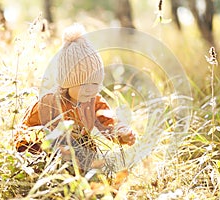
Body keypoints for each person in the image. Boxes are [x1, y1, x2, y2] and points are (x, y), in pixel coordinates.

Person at [14, 24, 136, 171]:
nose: (90, 89)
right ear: (67, 82)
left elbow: (108, 122)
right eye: (84, 84)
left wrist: (122, 133)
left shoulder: (94, 101)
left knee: (88, 148)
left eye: (95, 83)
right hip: (48, 157)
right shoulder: (49, 103)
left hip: (79, 153)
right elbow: (26, 132)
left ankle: (86, 175)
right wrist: (36, 155)